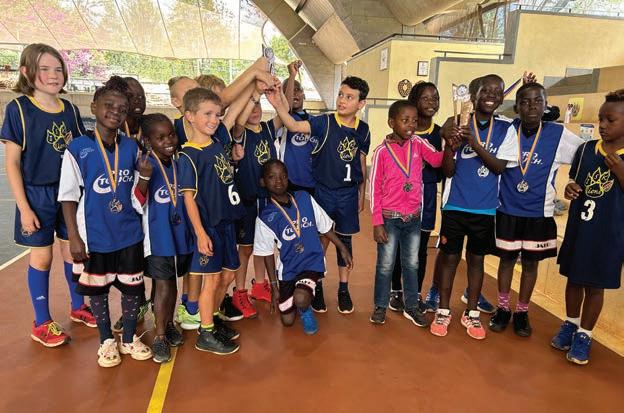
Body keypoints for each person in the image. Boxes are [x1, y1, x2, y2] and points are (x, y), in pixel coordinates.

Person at [1, 43, 93, 348]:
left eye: (58, 69)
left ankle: (78, 306)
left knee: (73, 252)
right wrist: (24, 208)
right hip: (36, 194)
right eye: (44, 69)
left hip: (68, 194)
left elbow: (81, 151)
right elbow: (12, 163)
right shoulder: (18, 109)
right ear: (26, 72)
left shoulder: (70, 110)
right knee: (42, 256)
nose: (53, 75)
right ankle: (41, 322)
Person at [58, 76, 152, 367]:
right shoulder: (78, 149)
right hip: (95, 235)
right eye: (109, 105)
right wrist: (74, 237)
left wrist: (145, 176)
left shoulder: (131, 148)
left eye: (122, 108)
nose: (115, 111)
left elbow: (137, 194)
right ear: (94, 107)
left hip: (128, 233)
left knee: (133, 289)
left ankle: (128, 339)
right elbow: (68, 197)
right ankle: (105, 340)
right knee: (97, 291)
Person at [266, 76, 371, 314]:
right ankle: (317, 285)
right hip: (324, 191)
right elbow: (293, 126)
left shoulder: (363, 130)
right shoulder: (324, 122)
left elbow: (360, 162)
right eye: (341, 94)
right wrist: (278, 105)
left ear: (361, 103)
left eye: (349, 97)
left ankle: (343, 289)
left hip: (348, 194)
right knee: (320, 239)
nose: (342, 100)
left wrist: (361, 193)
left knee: (345, 240)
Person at [490, 83, 583, 337]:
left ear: (546, 105)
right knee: (506, 261)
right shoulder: (508, 130)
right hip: (507, 208)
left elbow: (584, 155)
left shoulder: (558, 133)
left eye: (537, 101)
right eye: (525, 102)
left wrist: (573, 180)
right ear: (516, 107)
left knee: (531, 264)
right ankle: (503, 308)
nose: (531, 107)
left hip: (538, 213)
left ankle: (522, 311)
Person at [430, 74, 518, 340]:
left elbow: (499, 167)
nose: (491, 95)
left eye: (497, 92)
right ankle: (443, 310)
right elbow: (448, 171)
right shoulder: (455, 123)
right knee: (450, 259)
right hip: (455, 205)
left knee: (477, 260)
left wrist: (475, 145)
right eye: (485, 90)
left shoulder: (505, 129)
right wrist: (450, 147)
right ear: (473, 95)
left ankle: (471, 312)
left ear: (502, 98)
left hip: (485, 208)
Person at [551, 89, 624, 365]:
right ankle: (570, 323)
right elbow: (574, 181)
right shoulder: (585, 150)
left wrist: (620, 170)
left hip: (609, 235)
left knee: (595, 286)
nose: (602, 125)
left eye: (610, 120)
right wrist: (570, 188)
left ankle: (585, 334)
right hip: (580, 228)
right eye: (601, 119)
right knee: (574, 279)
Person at [178, 87, 249, 353]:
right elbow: (188, 198)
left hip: (226, 222)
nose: (214, 119)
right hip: (209, 227)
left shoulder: (217, 143)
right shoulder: (188, 155)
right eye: (207, 114)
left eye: (217, 114)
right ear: (189, 116)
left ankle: (213, 318)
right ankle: (205, 333)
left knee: (228, 275)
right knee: (211, 279)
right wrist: (200, 233)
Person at [253, 160, 353, 334]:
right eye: (272, 177)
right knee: (287, 321)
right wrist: (274, 287)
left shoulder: (304, 198)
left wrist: (342, 248)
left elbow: (325, 227)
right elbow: (267, 254)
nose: (279, 181)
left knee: (301, 298)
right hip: (289, 268)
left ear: (288, 178)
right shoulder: (265, 218)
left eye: (283, 176)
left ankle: (305, 308)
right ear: (263, 181)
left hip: (311, 262)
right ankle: (298, 297)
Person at [369, 100, 445, 326]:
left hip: (413, 217)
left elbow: (437, 161)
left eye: (414, 120)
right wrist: (377, 222)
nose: (411, 125)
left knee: (412, 264)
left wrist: (450, 143)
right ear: (391, 122)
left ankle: (411, 306)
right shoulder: (382, 152)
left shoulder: (419, 144)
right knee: (386, 265)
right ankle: (380, 305)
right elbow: (374, 188)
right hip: (389, 218)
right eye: (405, 120)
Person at [133, 114, 193, 363]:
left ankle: (167, 324)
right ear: (148, 141)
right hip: (158, 238)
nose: (168, 141)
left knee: (171, 283)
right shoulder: (144, 165)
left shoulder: (178, 164)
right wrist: (144, 178)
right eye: (161, 137)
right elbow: (136, 202)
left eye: (171, 135)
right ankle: (159, 336)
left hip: (179, 235)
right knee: (163, 284)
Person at [388, 82, 444, 314]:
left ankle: (415, 293)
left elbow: (443, 166)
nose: (431, 103)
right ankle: (395, 291)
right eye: (425, 98)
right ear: (414, 101)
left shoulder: (440, 133)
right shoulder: (400, 132)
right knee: (398, 247)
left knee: (420, 250)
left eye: (435, 98)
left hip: (426, 196)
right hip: (400, 197)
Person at [231, 83, 280, 318]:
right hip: (247, 200)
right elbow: (239, 125)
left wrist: (281, 88)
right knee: (246, 248)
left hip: (267, 199)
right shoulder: (239, 133)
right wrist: (253, 94)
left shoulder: (268, 129)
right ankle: (239, 291)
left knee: (265, 245)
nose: (255, 110)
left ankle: (260, 285)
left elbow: (284, 113)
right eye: (249, 106)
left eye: (258, 105)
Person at [279, 60, 317, 194]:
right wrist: (292, 76)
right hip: (291, 183)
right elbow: (286, 107)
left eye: (297, 89)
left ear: (304, 94)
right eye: (289, 90)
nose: (294, 93)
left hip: (314, 182)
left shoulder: (316, 121)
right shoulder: (284, 120)